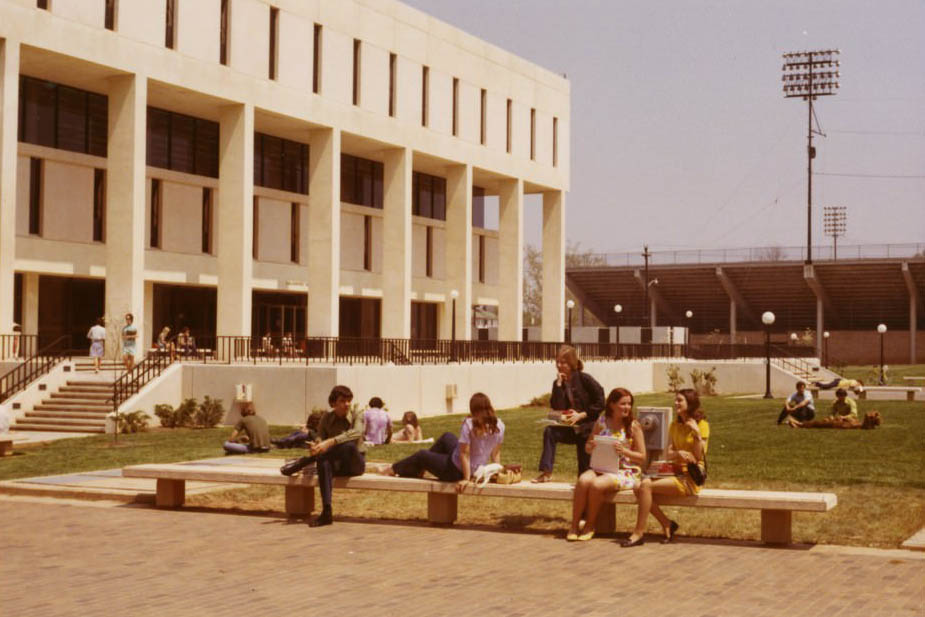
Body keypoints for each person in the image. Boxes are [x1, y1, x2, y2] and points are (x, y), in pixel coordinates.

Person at [629, 388, 709, 545]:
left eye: (680, 400)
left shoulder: (702, 425)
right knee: (637, 485)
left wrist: (697, 434)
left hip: (690, 478)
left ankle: (638, 533)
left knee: (645, 486)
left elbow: (698, 457)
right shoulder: (674, 425)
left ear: (690, 403)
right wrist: (679, 453)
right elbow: (669, 453)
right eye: (676, 400)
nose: (676, 403)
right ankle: (667, 523)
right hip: (674, 472)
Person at [280, 385, 365, 527]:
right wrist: (317, 445)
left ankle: (303, 462)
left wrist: (330, 442)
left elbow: (357, 433)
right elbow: (320, 436)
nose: (347, 404)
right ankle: (327, 511)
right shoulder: (327, 417)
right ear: (333, 403)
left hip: (354, 463)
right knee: (323, 460)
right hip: (336, 463)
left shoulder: (357, 414)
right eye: (343, 401)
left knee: (347, 445)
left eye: (349, 400)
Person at [567, 387, 646, 542]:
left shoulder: (633, 426)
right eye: (623, 404)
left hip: (624, 472)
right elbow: (588, 446)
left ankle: (590, 525)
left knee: (596, 485)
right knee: (583, 481)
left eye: (629, 404)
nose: (627, 408)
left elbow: (642, 457)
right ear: (612, 405)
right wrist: (590, 446)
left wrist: (624, 451)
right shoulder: (602, 421)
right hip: (601, 467)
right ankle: (574, 525)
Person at [384, 393, 504, 494]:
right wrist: (497, 469)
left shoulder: (469, 424)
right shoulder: (500, 425)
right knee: (447, 437)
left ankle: (393, 469)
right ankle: (420, 468)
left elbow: (464, 454)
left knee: (422, 455)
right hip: (476, 467)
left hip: (455, 470)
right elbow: (495, 453)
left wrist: (466, 479)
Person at [532, 345, 604, 483]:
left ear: (571, 363)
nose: (559, 365)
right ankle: (546, 473)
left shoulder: (585, 379)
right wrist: (559, 385)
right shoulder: (558, 382)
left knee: (584, 474)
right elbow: (556, 406)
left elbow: (601, 402)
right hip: (570, 427)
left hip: (587, 429)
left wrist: (581, 414)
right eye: (557, 362)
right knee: (549, 432)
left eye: (563, 362)